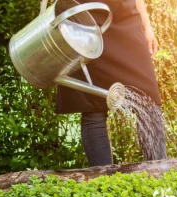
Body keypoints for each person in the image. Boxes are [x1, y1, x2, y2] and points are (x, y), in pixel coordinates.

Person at [56, 0, 167, 166]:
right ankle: (104, 181)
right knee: (93, 105)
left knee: (148, 102)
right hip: (86, 17)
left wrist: (147, 26)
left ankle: (159, 173)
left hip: (126, 17)